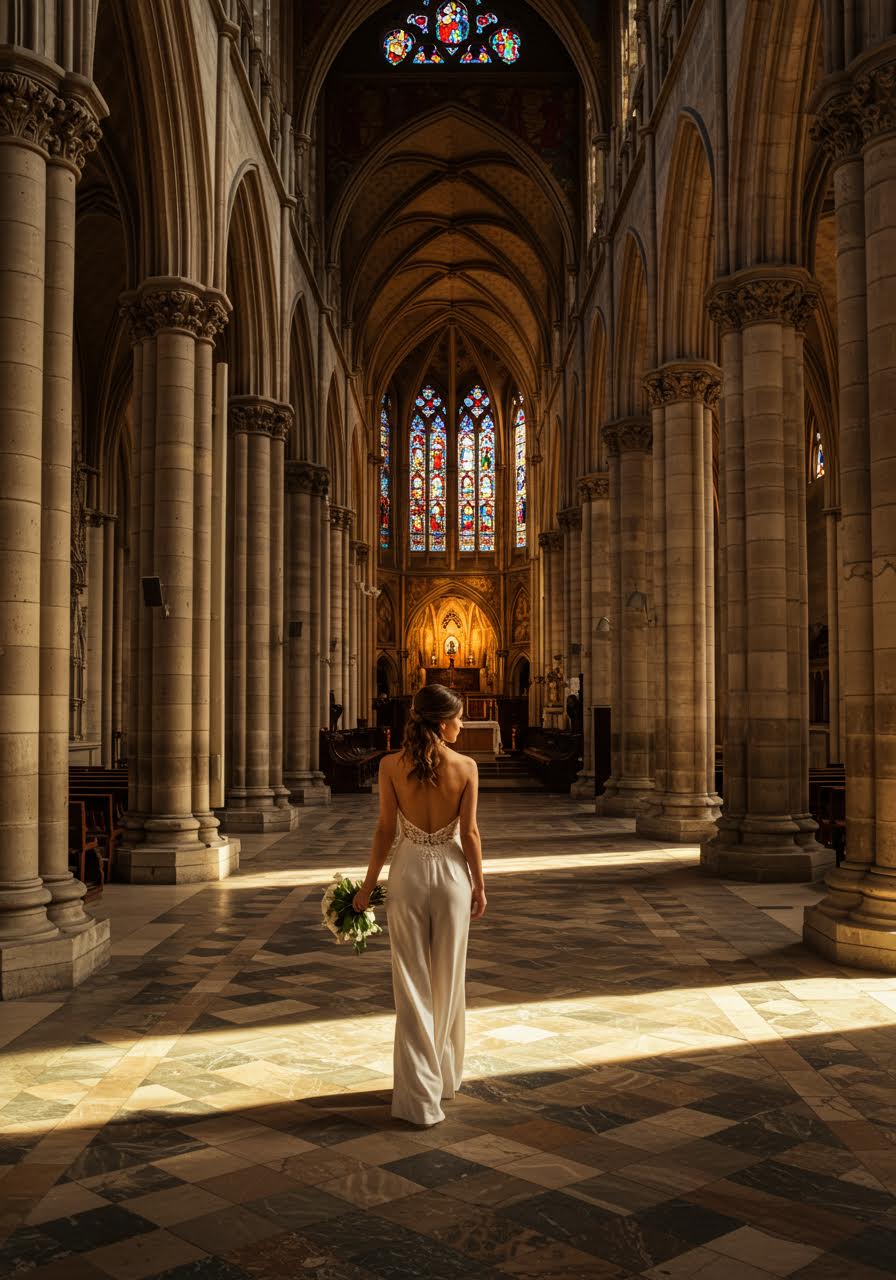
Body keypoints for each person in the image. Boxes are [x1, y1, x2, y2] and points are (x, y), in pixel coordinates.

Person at [353, 684, 487, 1125]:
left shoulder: (391, 765)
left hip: (407, 875)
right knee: (448, 979)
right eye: (459, 718)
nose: (463, 725)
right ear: (443, 721)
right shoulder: (466, 766)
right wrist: (480, 885)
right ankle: (444, 1078)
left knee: (411, 984)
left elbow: (384, 832)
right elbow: (468, 835)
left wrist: (368, 885)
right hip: (452, 878)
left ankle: (418, 1097)